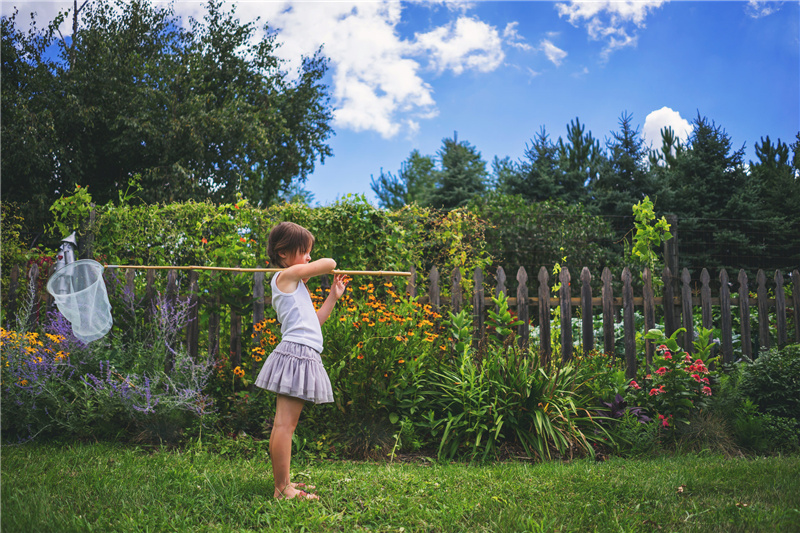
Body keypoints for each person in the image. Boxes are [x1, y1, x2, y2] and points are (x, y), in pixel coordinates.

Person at [255, 221, 348, 501]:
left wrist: (333, 296)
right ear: (283, 253)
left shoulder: (295, 285)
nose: (309, 257)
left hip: (302, 351)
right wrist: (321, 265)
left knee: (283, 424)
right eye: (305, 251)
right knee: (285, 425)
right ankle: (283, 489)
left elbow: (314, 323)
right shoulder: (286, 275)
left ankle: (284, 483)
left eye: (310, 252)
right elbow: (328, 262)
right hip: (297, 353)